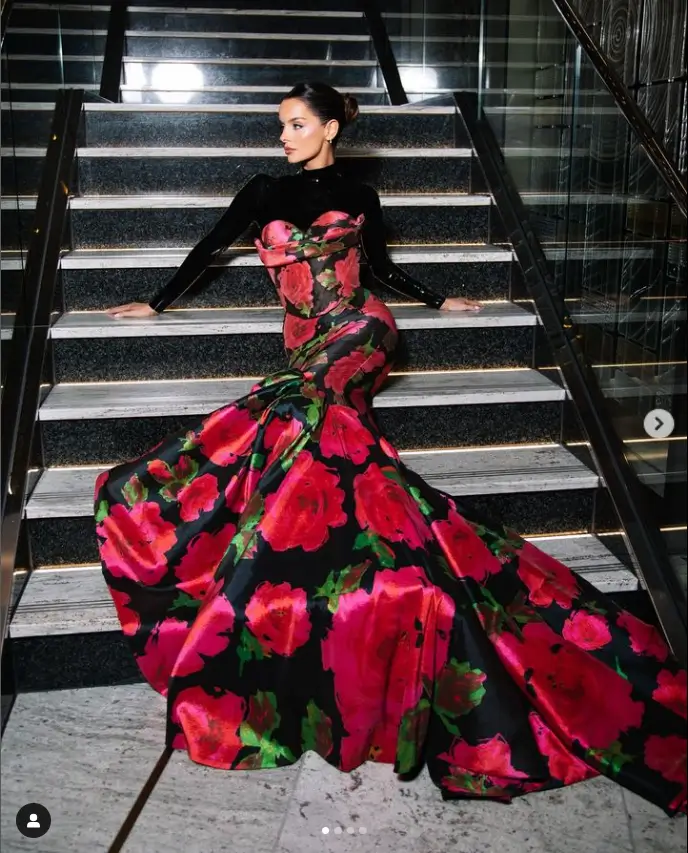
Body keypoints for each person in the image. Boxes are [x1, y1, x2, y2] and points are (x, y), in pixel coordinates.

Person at [95, 82, 686, 815]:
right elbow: (209, 245)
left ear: (333, 125)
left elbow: (377, 270)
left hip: (362, 331)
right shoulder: (262, 189)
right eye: (280, 124)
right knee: (304, 414)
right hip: (304, 342)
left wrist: (438, 300)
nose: (282, 135)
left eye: (297, 123)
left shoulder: (361, 193)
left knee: (302, 404)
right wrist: (152, 301)